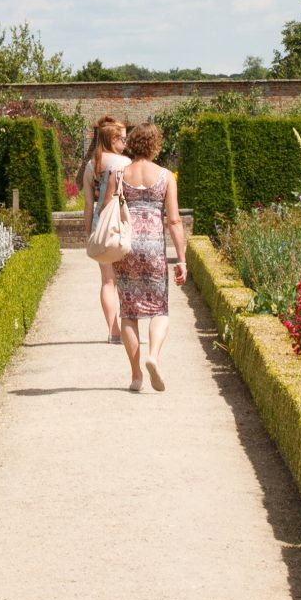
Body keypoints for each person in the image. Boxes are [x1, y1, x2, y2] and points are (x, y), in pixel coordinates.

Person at [110, 121, 187, 392]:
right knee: (160, 309)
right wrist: (181, 259)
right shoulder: (166, 176)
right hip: (154, 247)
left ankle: (136, 376)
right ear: (155, 145)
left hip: (126, 248)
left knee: (129, 312)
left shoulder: (119, 173)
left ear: (132, 144)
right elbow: (175, 221)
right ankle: (153, 356)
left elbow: (108, 210)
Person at [78, 115, 131, 342]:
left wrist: (89, 232)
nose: (126, 143)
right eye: (123, 139)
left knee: (107, 281)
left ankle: (113, 330)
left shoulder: (92, 165)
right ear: (114, 139)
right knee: (127, 280)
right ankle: (129, 328)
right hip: (122, 227)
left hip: (101, 229)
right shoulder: (125, 164)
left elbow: (88, 204)